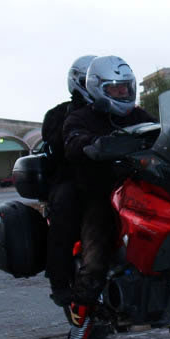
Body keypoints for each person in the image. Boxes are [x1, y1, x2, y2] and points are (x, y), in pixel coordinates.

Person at [57, 55, 155, 339]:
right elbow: (72, 142)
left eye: (126, 89)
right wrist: (91, 145)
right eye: (115, 91)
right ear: (99, 90)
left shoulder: (139, 114)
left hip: (143, 189)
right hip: (102, 195)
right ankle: (79, 330)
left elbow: (165, 133)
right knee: (96, 256)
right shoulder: (80, 118)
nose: (123, 95)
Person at [41, 55, 97, 307]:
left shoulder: (118, 110)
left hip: (115, 177)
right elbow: (57, 144)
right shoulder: (59, 114)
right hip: (73, 179)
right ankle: (61, 281)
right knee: (66, 208)